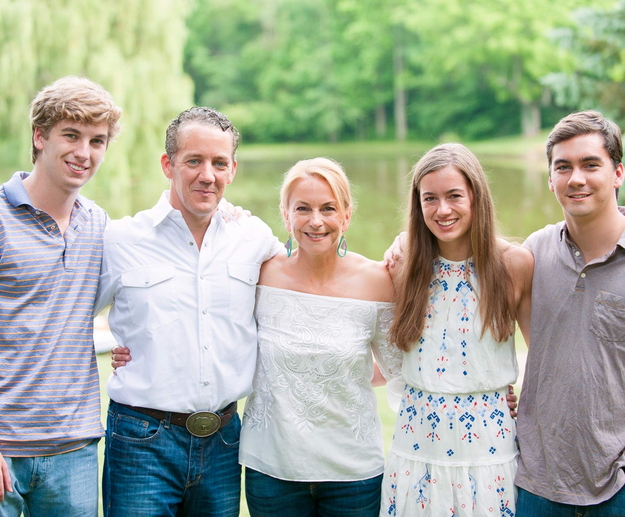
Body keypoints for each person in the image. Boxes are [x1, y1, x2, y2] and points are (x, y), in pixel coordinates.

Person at [95, 106, 282, 516]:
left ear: (232, 169)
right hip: (142, 440)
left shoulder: (253, 237)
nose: (207, 175)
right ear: (169, 164)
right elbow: (65, 316)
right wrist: (112, 343)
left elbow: (310, 281)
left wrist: (400, 253)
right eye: (194, 161)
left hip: (225, 441)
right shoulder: (121, 239)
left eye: (219, 163)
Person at [238, 157, 403, 517]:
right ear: (285, 215)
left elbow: (399, 367)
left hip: (353, 472)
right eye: (303, 208)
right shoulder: (259, 273)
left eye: (328, 208)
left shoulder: (377, 280)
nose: (316, 221)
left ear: (346, 215)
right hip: (273, 467)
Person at [380, 143, 533, 517]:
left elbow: (543, 357)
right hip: (417, 449)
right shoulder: (403, 268)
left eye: (454, 196)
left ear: (476, 197)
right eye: (429, 198)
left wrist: (515, 400)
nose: (442, 210)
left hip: (489, 451)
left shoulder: (513, 264)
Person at [0, 76, 122, 515]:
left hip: (74, 449)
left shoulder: (99, 225)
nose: (83, 153)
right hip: (4, 447)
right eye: (71, 135)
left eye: (97, 140)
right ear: (39, 136)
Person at [514, 111, 625, 516]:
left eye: (590, 164)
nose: (576, 178)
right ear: (550, 180)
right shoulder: (533, 253)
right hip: (537, 485)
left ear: (618, 173)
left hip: (617, 488)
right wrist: (405, 238)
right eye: (563, 167)